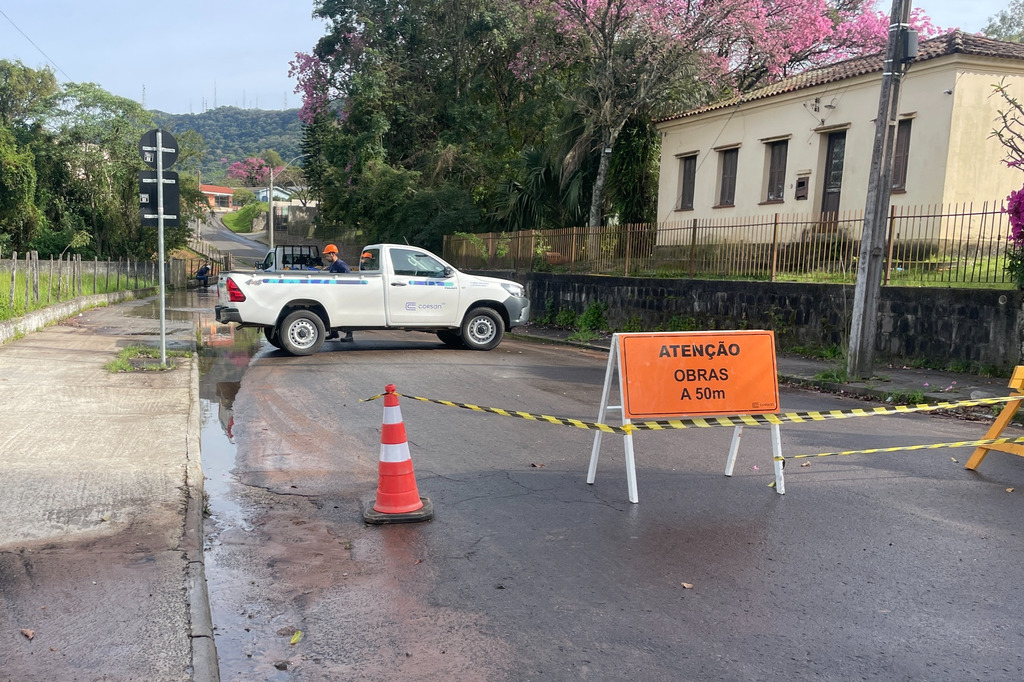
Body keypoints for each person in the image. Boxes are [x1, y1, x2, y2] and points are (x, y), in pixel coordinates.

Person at [322, 244, 354, 342]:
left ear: (332, 254)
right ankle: (334, 333)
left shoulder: (341, 265)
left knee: (346, 313)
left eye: (327, 255)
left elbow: (349, 279)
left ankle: (349, 335)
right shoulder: (332, 265)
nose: (326, 257)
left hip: (343, 293)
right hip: (336, 293)